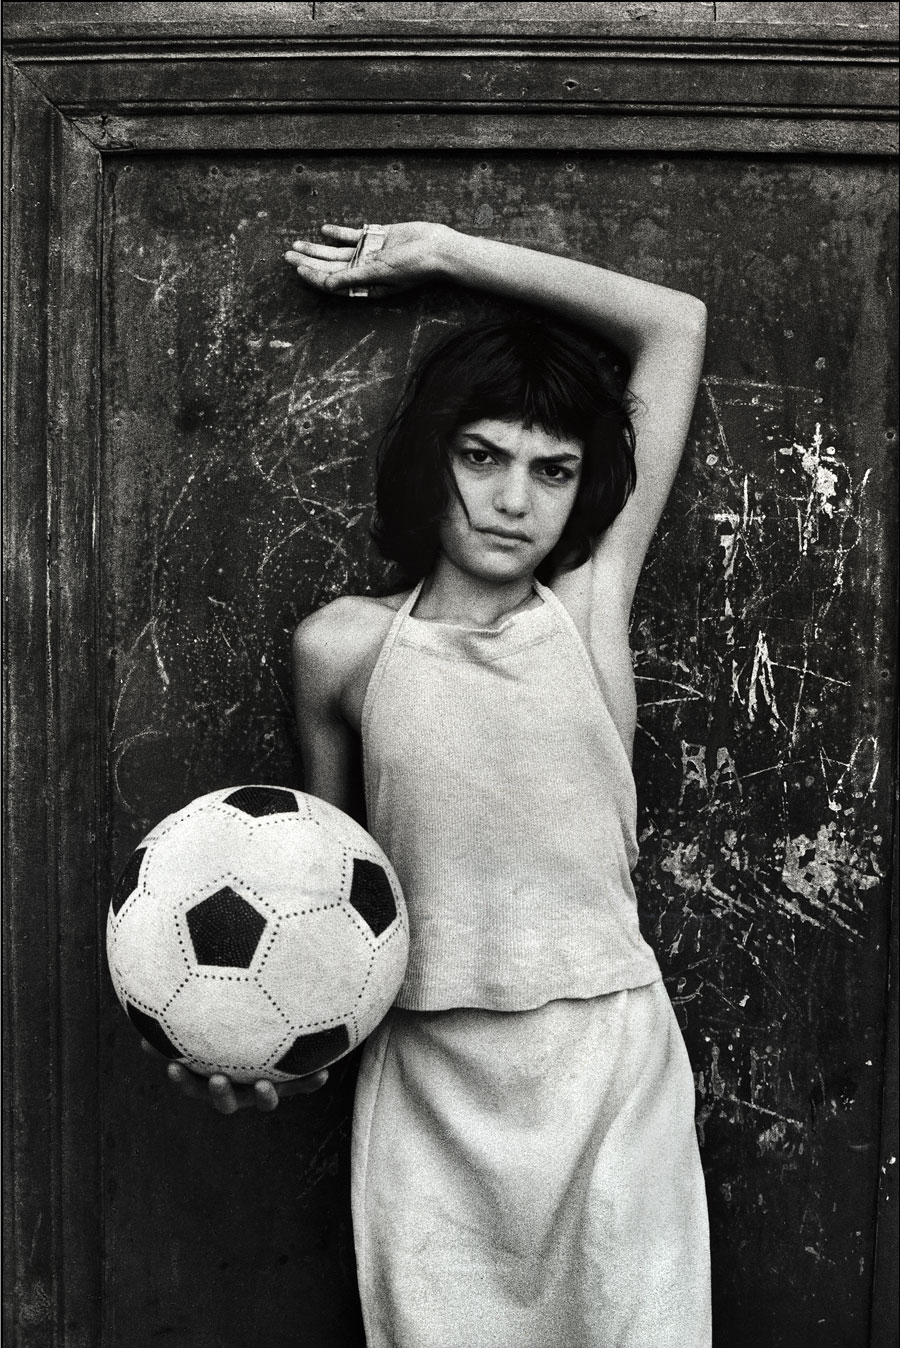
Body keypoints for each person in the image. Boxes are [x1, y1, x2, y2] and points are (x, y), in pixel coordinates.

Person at [165, 219, 711, 1346]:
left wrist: (446, 252)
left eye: (552, 469)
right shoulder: (345, 651)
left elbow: (675, 323)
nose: (517, 498)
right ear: (435, 459)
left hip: (610, 1072)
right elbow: (322, 911)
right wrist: (258, 1051)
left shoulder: (589, 609)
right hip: (429, 1092)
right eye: (484, 455)